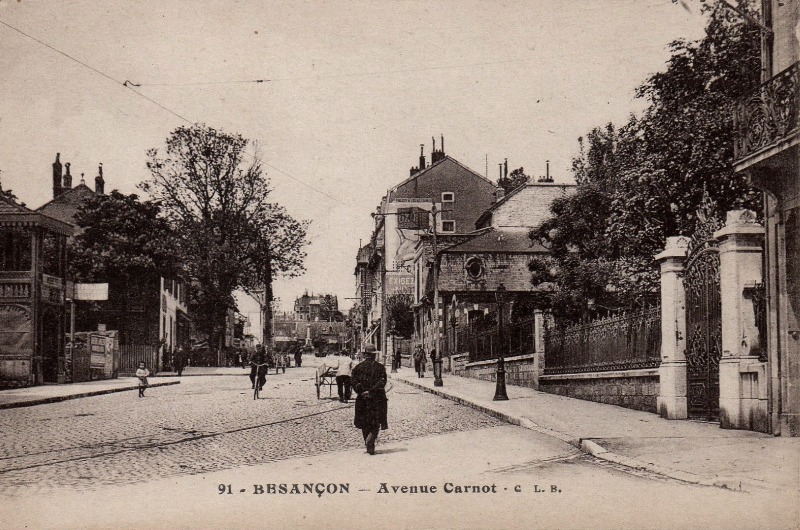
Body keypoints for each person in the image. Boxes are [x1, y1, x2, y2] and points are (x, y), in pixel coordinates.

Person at [350, 344, 388, 455]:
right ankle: (370, 440)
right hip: (377, 399)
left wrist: (362, 391)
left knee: (364, 422)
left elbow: (353, 381)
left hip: (362, 399)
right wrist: (371, 392)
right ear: (374, 355)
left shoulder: (358, 367)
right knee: (376, 421)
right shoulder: (380, 367)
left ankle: (368, 442)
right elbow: (382, 382)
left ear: (365, 355)